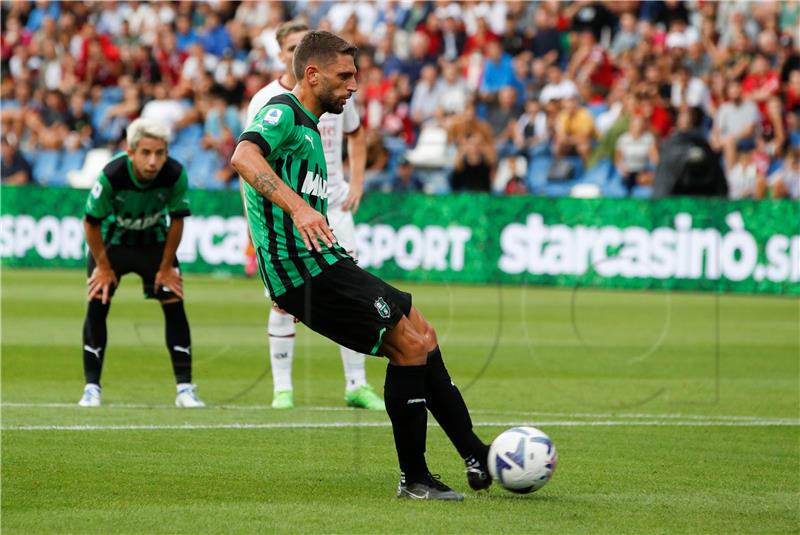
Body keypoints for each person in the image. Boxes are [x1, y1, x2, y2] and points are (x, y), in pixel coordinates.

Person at [231, 30, 491, 500]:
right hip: (301, 271)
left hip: (324, 260)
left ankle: (476, 454)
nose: (354, 86)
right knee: (408, 348)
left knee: (423, 334)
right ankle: (415, 479)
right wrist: (299, 208)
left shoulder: (310, 125)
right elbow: (244, 156)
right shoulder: (282, 112)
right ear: (312, 74)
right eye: (344, 76)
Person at [245, 21, 381, 411]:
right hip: (288, 212)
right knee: (284, 301)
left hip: (333, 206)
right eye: (289, 48)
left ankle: (356, 384)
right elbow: (250, 164)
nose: (293, 53)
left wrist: (357, 181)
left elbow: (356, 134)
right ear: (284, 55)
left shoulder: (338, 89)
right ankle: (283, 389)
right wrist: (252, 229)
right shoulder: (267, 102)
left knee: (352, 293)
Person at [78, 118, 204, 408]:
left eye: (160, 153)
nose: (153, 161)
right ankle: (91, 388)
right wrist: (103, 267)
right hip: (111, 246)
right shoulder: (112, 174)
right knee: (98, 304)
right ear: (131, 152)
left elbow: (177, 221)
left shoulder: (174, 174)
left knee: (175, 304)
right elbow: (91, 222)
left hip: (154, 246)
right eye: (146, 153)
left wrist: (165, 268)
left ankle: (185, 389)